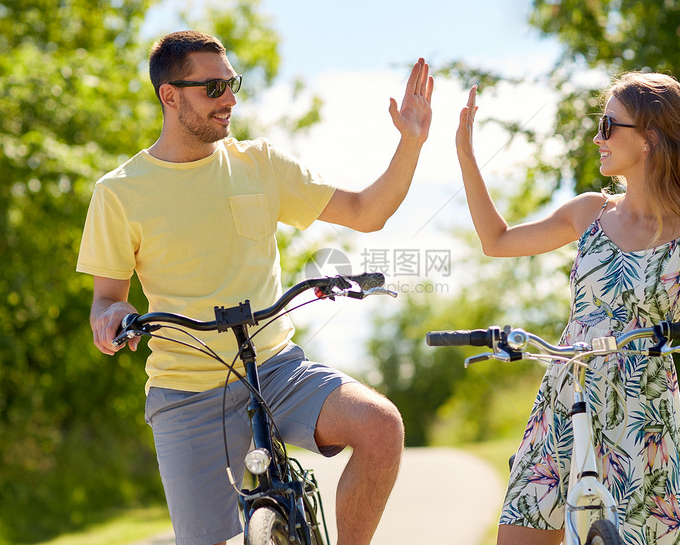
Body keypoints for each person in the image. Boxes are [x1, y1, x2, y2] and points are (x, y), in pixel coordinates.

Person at [77, 30, 433, 545]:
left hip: (276, 367)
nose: (230, 100)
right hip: (186, 388)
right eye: (213, 89)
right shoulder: (119, 193)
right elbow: (106, 299)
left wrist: (411, 142)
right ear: (169, 95)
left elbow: (366, 212)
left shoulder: (259, 164)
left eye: (232, 84)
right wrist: (110, 318)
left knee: (380, 427)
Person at [455, 73, 680, 544]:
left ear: (650, 139)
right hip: (564, 396)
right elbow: (496, 242)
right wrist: (468, 159)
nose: (598, 137)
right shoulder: (590, 212)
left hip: (641, 418)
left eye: (608, 125)